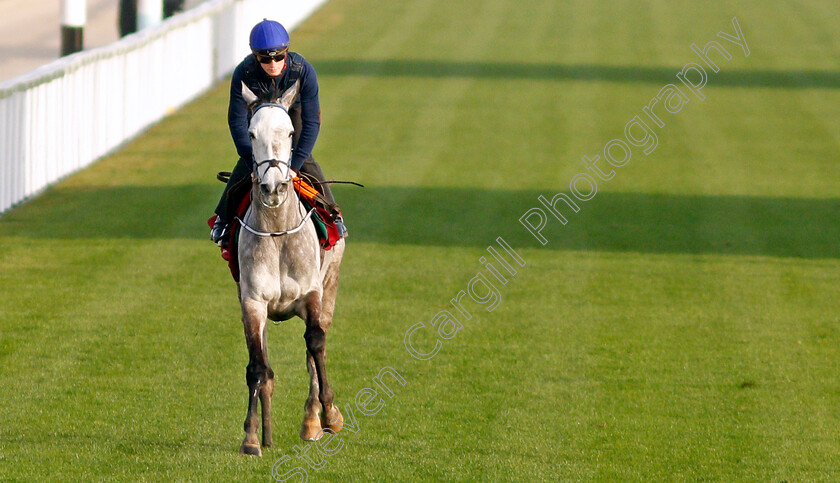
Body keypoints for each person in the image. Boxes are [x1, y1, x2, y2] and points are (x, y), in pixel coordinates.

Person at [211, 19, 345, 245]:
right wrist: (250, 160)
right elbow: (237, 122)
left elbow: (312, 121)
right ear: (256, 57)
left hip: (294, 112)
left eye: (278, 57)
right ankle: (223, 219)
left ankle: (333, 213)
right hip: (259, 116)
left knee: (306, 161)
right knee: (248, 163)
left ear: (287, 52)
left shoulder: (303, 71)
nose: (272, 63)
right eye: (265, 58)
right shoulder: (243, 73)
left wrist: (294, 165)